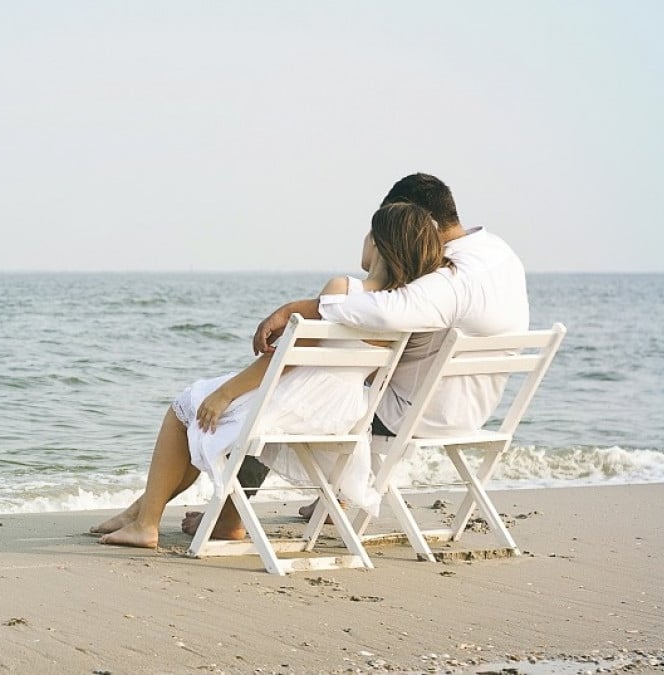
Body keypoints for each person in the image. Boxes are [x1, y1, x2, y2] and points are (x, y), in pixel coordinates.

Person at [181, 173, 529, 540]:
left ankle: (231, 517)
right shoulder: (498, 253)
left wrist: (299, 309)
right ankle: (335, 499)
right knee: (347, 370)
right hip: (472, 409)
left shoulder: (450, 278)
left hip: (414, 414)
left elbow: (380, 310)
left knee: (284, 395)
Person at [91, 201, 453, 548]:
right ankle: (140, 511)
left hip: (294, 402)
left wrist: (226, 393)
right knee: (203, 416)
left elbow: (289, 359)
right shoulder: (405, 311)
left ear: (377, 242)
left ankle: (146, 523)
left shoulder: (344, 288)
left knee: (187, 406)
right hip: (338, 415)